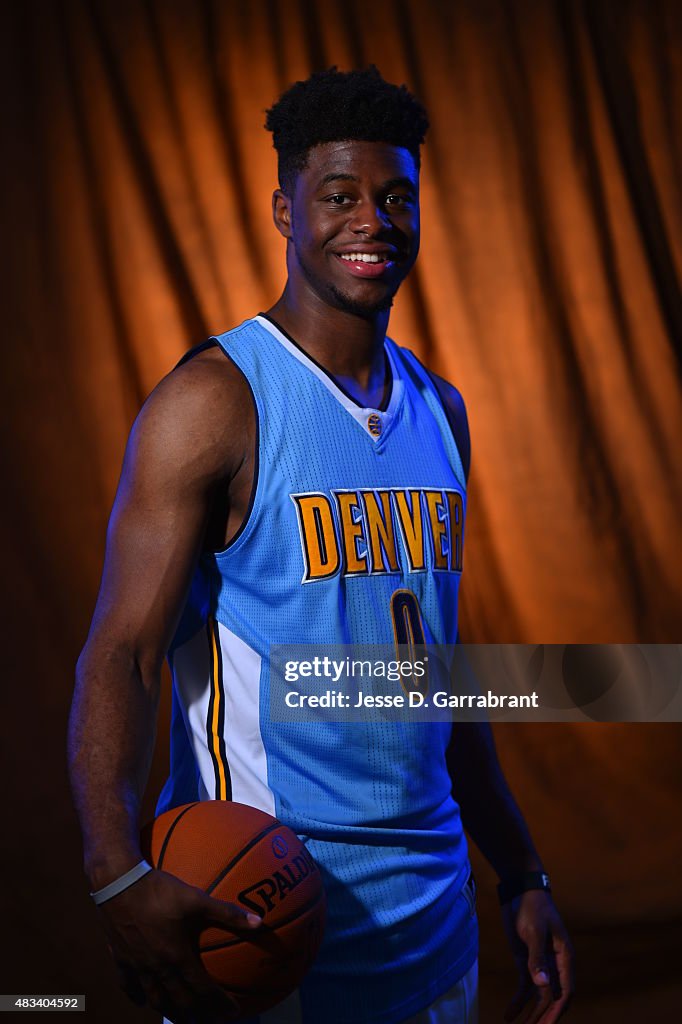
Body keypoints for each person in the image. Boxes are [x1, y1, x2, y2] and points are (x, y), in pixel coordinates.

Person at [68, 66, 574, 1024]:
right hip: (267, 923)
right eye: (339, 196)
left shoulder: (442, 411)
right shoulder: (215, 403)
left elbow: (437, 678)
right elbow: (124, 653)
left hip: (438, 928)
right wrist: (111, 872)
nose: (371, 221)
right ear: (284, 210)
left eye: (395, 198)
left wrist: (521, 871)